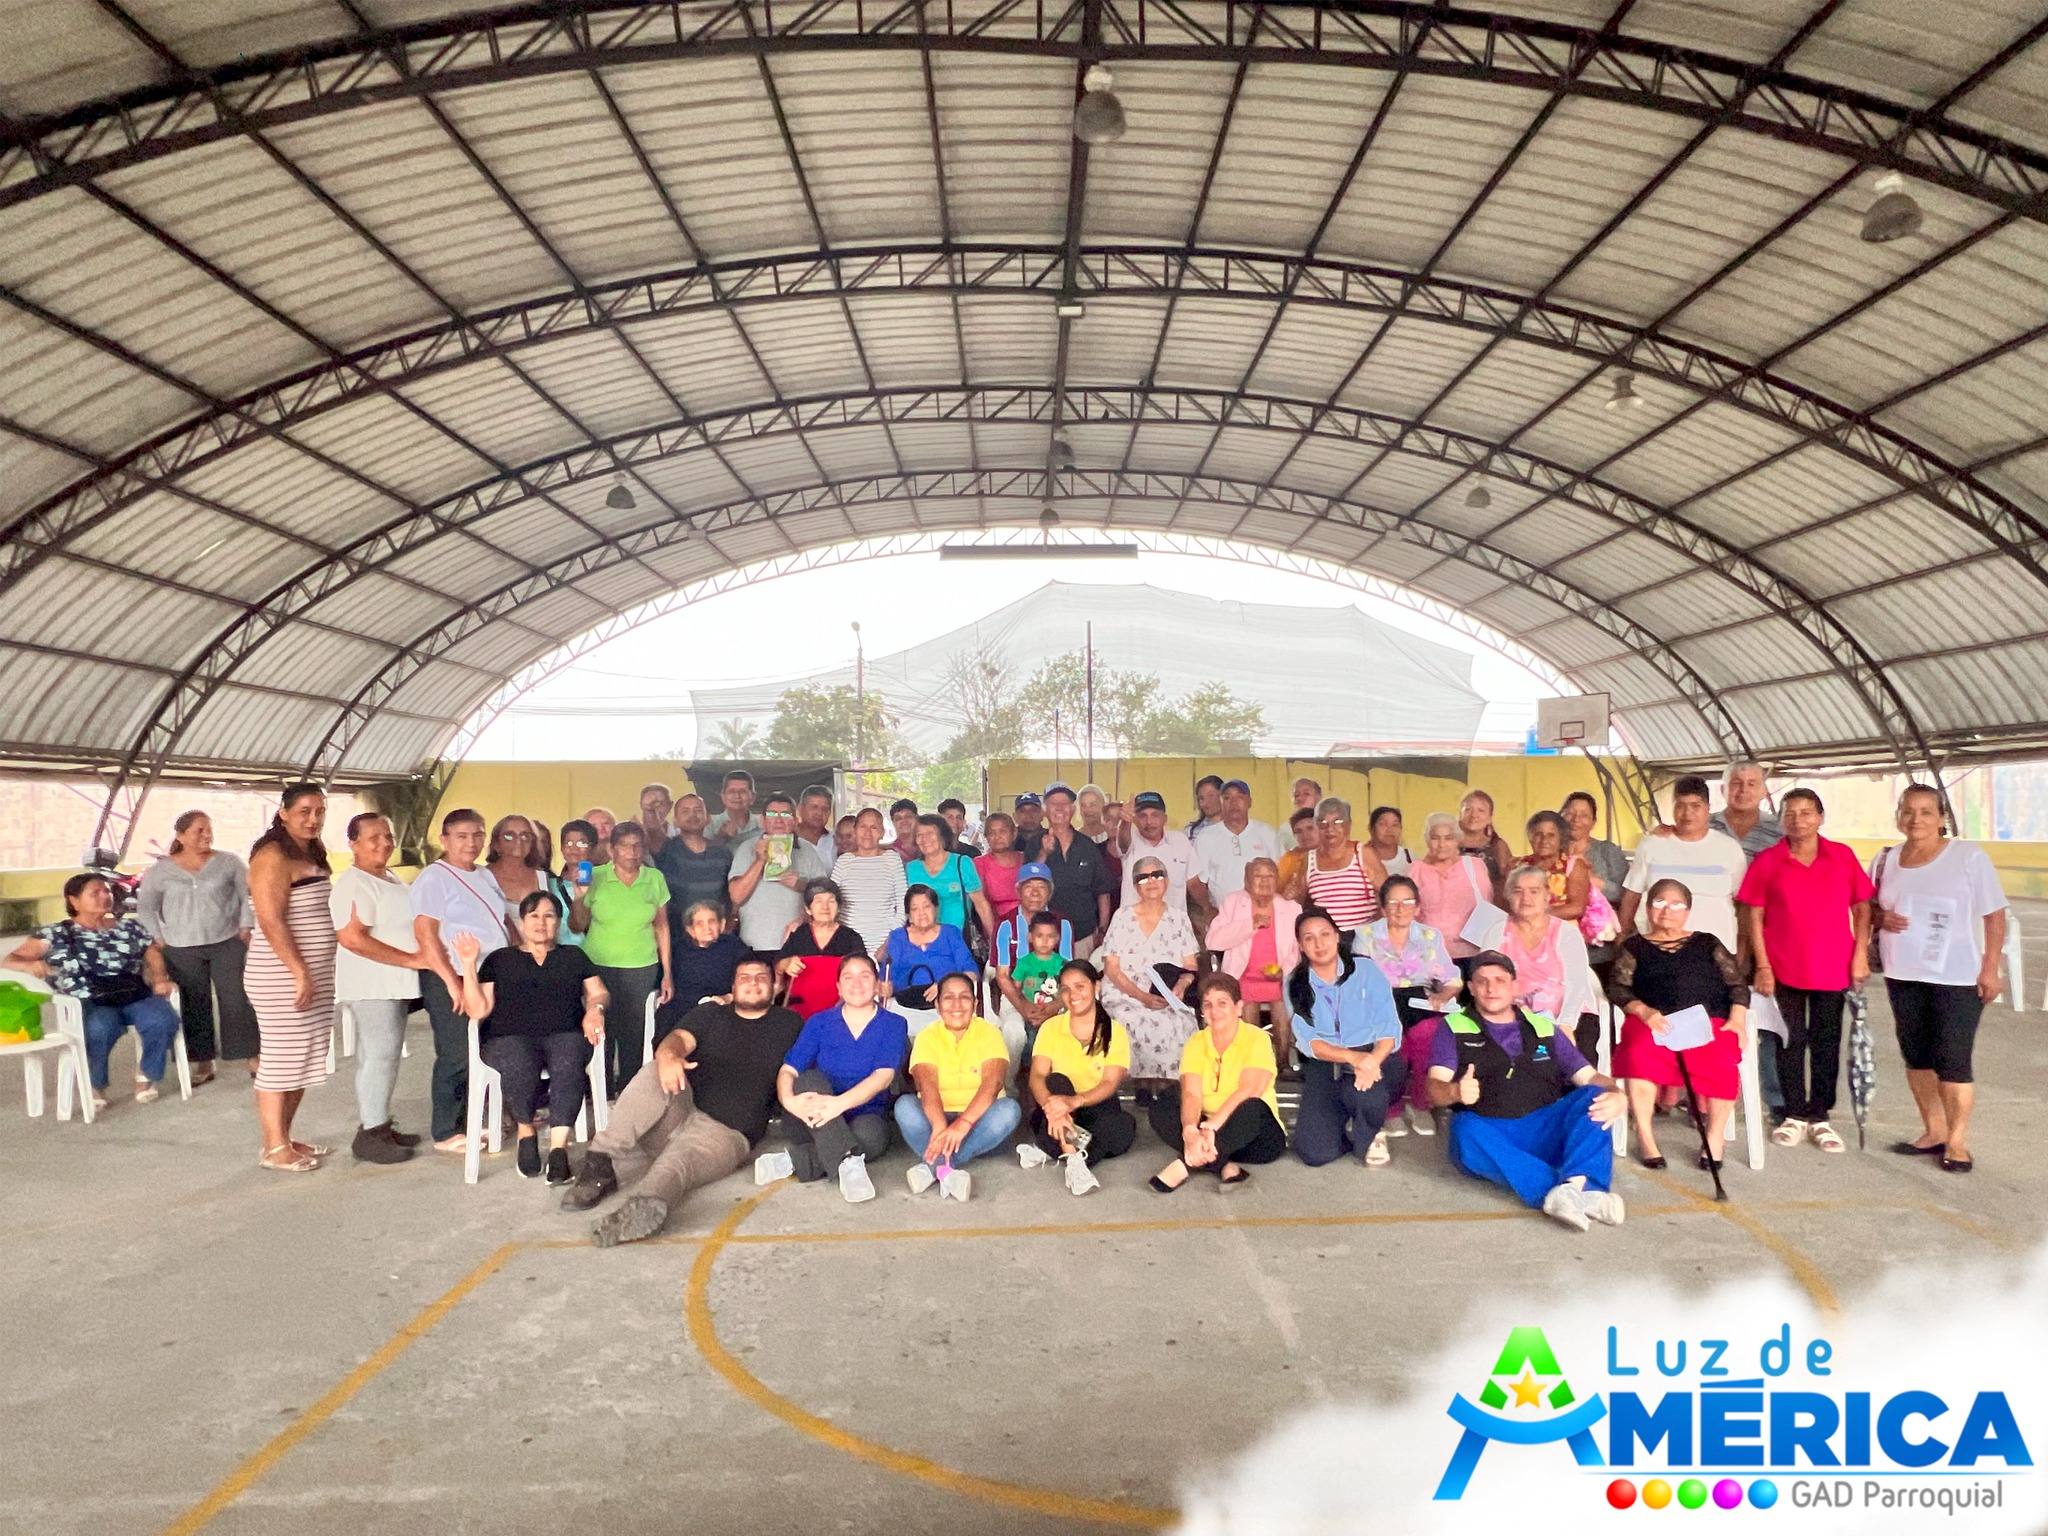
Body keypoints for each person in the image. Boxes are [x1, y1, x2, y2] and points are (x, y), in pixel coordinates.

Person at [564, 956, 806, 1245]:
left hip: (726, 1133)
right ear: (733, 987)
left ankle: (640, 1207)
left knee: (675, 1165)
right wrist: (669, 1056)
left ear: (775, 986)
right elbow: (678, 1038)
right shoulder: (711, 1013)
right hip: (678, 1112)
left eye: (761, 977)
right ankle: (599, 1163)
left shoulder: (791, 1024)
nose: (753, 983)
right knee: (655, 1070)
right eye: (745, 978)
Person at [1428, 952, 1627, 1231]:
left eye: (1500, 980)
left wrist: (1618, 1093)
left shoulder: (1544, 1028)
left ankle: (1574, 1190)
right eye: (1482, 981)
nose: (1491, 988)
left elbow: (1589, 1077)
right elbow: (1433, 1089)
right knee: (1464, 1129)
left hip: (1543, 1126)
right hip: (1491, 1130)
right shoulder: (1453, 1027)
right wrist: (1455, 1092)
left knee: (1596, 1096)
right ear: (1471, 988)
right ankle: (1575, 1193)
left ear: (1515, 986)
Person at [1869, 784, 2006, 1174]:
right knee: (1916, 1055)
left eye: (1926, 811)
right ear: (1898, 816)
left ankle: (1958, 1141)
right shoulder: (1886, 860)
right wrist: (1881, 917)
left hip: (1956, 976)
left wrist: (1990, 967)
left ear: (1942, 818)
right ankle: (1934, 1130)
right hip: (1902, 972)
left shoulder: (1968, 857)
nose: (1916, 819)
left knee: (1952, 1058)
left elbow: (1994, 915)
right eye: (1908, 811)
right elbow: (1866, 906)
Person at [1738, 788, 1873, 1156]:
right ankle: (1793, 1114)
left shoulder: (1841, 856)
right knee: (1788, 1041)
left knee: (1826, 1042)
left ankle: (1820, 1115)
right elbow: (1753, 915)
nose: (1798, 820)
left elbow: (1863, 908)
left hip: (1834, 967)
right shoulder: (1769, 861)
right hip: (1783, 968)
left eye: (1807, 812)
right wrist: (1762, 966)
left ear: (1820, 817)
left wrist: (1860, 954)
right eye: (1790, 813)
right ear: (1781, 819)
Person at [454, 892, 606, 1184]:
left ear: (558, 922)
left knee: (570, 1055)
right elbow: (477, 1010)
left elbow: (598, 992)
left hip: (563, 1034)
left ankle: (559, 1149)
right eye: (534, 916)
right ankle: (526, 1131)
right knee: (518, 1058)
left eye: (549, 916)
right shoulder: (500, 959)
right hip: (507, 1038)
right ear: (522, 922)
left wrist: (594, 1009)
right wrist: (469, 965)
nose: (541, 922)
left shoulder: (573, 956)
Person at [6, 871, 179, 1113]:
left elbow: (152, 951)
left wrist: (160, 979)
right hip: (88, 999)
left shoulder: (130, 927)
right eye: (95, 893)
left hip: (132, 993)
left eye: (107, 891)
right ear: (74, 900)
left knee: (162, 1019)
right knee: (100, 1027)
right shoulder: (54, 933)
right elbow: (10, 959)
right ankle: (95, 1083)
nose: (104, 896)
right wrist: (30, 965)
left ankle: (146, 1074)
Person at [1607, 879, 1750, 1170]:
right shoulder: (1634, 946)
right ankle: (1645, 1136)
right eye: (1659, 902)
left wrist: (1737, 1019)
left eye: (1676, 904)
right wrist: (1643, 1011)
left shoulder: (1707, 943)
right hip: (1654, 1021)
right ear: (1648, 908)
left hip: (1706, 1021)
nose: (1666, 910)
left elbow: (1736, 984)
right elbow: (1618, 988)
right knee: (1638, 1052)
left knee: (1722, 1057)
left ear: (1688, 911)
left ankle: (1714, 1138)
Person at [245, 783, 338, 1172]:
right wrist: (299, 970)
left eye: (319, 811)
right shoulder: (271, 856)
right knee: (280, 1060)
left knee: (302, 1058)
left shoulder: (310, 852)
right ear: (283, 813)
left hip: (313, 974)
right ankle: (273, 1147)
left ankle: (282, 1136)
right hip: (280, 974)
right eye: (304, 811)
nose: (313, 819)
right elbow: (271, 921)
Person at [412, 807, 511, 1153]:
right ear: (444, 840)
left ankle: (470, 1120)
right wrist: (451, 983)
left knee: (480, 1050)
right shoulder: (433, 878)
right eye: (462, 836)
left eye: (478, 835)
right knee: (457, 1052)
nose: (471, 842)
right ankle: (445, 1130)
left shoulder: (484, 875)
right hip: (452, 973)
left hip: (488, 974)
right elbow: (426, 934)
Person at [135, 809, 255, 1086]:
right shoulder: (161, 870)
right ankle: (204, 1061)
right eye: (199, 830)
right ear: (180, 836)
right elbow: (146, 907)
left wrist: (245, 927)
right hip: (181, 946)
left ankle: (252, 1056)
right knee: (194, 1003)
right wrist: (158, 937)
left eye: (208, 828)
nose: (207, 834)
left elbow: (245, 895)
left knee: (236, 999)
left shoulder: (228, 862)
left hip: (226, 941)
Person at [330, 812, 424, 1164]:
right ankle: (371, 1132)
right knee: (379, 1056)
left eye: (388, 836)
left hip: (391, 983)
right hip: (371, 983)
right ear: (353, 844)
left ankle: (379, 1123)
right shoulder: (355, 884)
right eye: (373, 838)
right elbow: (352, 938)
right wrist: (410, 959)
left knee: (382, 1055)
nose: (384, 843)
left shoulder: (388, 877)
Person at [776, 955, 908, 1202]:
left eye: (865, 976)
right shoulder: (819, 1022)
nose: (856, 983)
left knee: (872, 1137)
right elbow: (789, 1070)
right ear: (838, 987)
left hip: (864, 1115)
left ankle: (793, 1161)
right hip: (811, 1118)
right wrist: (788, 1101)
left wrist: (838, 1105)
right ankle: (849, 1163)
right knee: (808, 1080)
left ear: (877, 984)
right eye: (848, 977)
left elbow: (883, 1076)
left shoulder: (894, 1024)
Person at [1288, 907, 1408, 1167]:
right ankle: (1342, 1119)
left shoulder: (1365, 969)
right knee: (1314, 1153)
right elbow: (1307, 1040)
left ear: (1337, 936)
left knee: (1367, 1096)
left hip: (1375, 1054)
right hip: (1327, 1060)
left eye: (1325, 934)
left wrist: (1370, 1061)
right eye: (1309, 938)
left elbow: (1389, 1027)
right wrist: (1352, 1058)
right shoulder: (1295, 984)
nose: (1319, 944)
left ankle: (1371, 1131)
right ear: (1300, 946)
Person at [1148, 974, 1285, 1189]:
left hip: (1254, 1138)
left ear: (1238, 1008)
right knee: (1163, 1103)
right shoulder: (1196, 1042)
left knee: (1253, 1107)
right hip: (1208, 1133)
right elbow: (1191, 1093)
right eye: (1208, 1005)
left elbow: (1249, 1090)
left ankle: (1184, 1165)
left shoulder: (1257, 1039)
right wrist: (1190, 1130)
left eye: (1222, 1003)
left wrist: (1212, 1127)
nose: (1215, 1011)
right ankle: (1223, 1165)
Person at [895, 972, 1022, 1200]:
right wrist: (939, 1126)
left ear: (975, 1003)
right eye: (948, 998)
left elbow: (993, 1084)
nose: (956, 1004)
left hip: (979, 1123)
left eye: (964, 997)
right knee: (905, 1106)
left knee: (1009, 1110)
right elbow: (927, 1086)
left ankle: (933, 1166)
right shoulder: (927, 1037)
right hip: (936, 1119)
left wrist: (962, 1125)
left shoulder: (990, 1033)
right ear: (937, 1005)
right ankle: (947, 1170)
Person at [1360, 872, 1463, 1137]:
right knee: (1393, 1045)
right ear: (1383, 907)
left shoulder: (1430, 936)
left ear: (1417, 907)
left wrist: (1443, 996)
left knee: (1427, 1037)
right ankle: (1391, 1108)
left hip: (1420, 999)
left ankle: (1421, 1104)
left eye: (1407, 902)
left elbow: (1452, 979)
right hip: (1381, 999)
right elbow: (1359, 980)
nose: (1400, 909)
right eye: (1393, 902)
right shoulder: (1366, 935)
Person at [574, 820, 672, 1092]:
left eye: (637, 846)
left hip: (641, 966)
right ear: (611, 849)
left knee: (634, 1033)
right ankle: (600, 1091)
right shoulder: (595, 876)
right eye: (625, 846)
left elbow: (662, 926)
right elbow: (578, 924)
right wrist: (579, 896)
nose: (632, 852)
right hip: (598, 965)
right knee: (600, 1028)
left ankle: (629, 1091)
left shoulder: (654, 878)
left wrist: (667, 973)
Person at [1026, 960, 1138, 1191]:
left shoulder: (1114, 1031)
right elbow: (1037, 1076)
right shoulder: (1051, 1027)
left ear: (1096, 986)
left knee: (1123, 1127)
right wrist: (1053, 1109)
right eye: (1066, 989)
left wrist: (1075, 1101)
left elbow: (1109, 1083)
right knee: (1056, 1081)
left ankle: (1051, 1147)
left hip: (1095, 1105)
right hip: (1053, 1107)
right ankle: (1074, 1160)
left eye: (1080, 986)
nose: (1073, 995)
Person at [1097, 855, 1200, 1088]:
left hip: (1168, 995)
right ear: (1135, 886)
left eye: (1157, 875)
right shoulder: (1122, 917)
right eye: (1143, 878)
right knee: (1131, 1019)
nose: (1151, 881)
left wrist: (1181, 985)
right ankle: (1141, 1085)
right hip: (1126, 994)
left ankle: (1167, 1089)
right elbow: (1111, 968)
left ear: (1166, 880)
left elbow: (1190, 965)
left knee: (1181, 1023)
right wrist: (1142, 997)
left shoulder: (1179, 918)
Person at [1618, 776, 1748, 950]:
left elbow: (1743, 903)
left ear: (1708, 809)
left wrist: (1743, 948)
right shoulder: (1652, 845)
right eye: (1680, 806)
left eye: (1696, 806)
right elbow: (1632, 895)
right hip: (1659, 950)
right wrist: (1622, 939)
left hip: (1717, 951)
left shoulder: (1729, 849)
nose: (1687, 813)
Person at [1203, 857, 1301, 1066]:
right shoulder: (1233, 902)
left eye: (1270, 876)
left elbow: (1296, 948)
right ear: (1247, 881)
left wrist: (1284, 971)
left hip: (1279, 976)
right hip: (1243, 975)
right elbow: (1213, 940)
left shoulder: (1290, 907)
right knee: (1248, 1008)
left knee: (1282, 1006)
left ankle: (1283, 1063)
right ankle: (1254, 1063)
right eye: (1258, 876)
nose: (1264, 881)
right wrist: (1250, 924)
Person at [1498, 865, 1599, 1063]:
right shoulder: (1497, 932)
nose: (1526, 898)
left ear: (1547, 896)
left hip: (1569, 1014)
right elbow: (1487, 977)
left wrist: (1566, 1025)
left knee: (1576, 1063)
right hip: (1516, 1014)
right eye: (1518, 891)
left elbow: (1577, 985)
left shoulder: (1566, 933)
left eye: (1534, 891)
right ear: (1509, 897)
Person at [728, 793, 834, 954]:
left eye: (785, 814)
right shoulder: (747, 848)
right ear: (762, 820)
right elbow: (736, 896)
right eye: (772, 814)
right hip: (754, 943)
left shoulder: (806, 849)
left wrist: (802, 886)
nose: (778, 819)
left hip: (797, 942)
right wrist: (760, 860)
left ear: (795, 820)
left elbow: (825, 896)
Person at [989, 862, 1072, 1068]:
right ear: (1018, 890)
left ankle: (1058, 1080)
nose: (1035, 893)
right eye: (1029, 886)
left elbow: (1069, 974)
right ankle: (1009, 1082)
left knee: (1066, 1031)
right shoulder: (1005, 924)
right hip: (1016, 993)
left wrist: (1054, 1006)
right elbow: (1002, 975)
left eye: (1041, 887)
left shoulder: (1062, 924)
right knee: (1013, 1032)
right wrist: (1023, 1007)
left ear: (1050, 892)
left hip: (1056, 994)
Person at [1190, 779, 1282, 927]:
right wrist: (1208, 909)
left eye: (1239, 797)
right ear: (1221, 803)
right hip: (1223, 918)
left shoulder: (1267, 833)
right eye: (1227, 798)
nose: (1233, 802)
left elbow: (1280, 874)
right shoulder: (1207, 837)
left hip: (1263, 916)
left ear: (1249, 802)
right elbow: (1196, 880)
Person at [1411, 811, 1498, 962]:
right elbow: (1410, 912)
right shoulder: (1417, 870)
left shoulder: (1474, 866)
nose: (1442, 844)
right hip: (1430, 953)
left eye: (1448, 838)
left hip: (1472, 952)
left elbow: (1487, 901)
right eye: (1435, 838)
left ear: (1457, 840)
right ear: (1427, 841)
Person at [1037, 783, 1114, 955]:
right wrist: (1043, 852)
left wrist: (1102, 930)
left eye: (1064, 804)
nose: (1059, 808)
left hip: (1084, 936)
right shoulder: (1035, 844)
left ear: (1072, 810)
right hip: (1046, 939)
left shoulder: (1087, 845)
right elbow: (1029, 885)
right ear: (1045, 810)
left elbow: (1102, 890)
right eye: (1053, 803)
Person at [1562, 790, 1630, 984]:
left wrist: (1590, 880)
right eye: (1570, 813)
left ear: (1593, 822)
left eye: (1584, 815)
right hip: (1560, 946)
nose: (1576, 819)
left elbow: (1625, 895)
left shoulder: (1607, 851)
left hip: (1601, 951)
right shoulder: (1551, 853)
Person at [775, 879, 869, 1018]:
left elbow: (863, 972)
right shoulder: (800, 935)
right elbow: (778, 965)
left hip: (841, 1012)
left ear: (838, 907)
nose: (825, 907)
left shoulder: (851, 937)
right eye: (818, 901)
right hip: (799, 1012)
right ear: (808, 909)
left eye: (831, 901)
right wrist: (786, 963)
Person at [879, 886, 977, 1018]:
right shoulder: (897, 937)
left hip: (946, 1007)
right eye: (915, 909)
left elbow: (971, 972)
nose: (922, 913)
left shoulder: (950, 933)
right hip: (904, 1007)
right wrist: (886, 988)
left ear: (936, 909)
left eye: (927, 906)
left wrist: (945, 986)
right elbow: (886, 976)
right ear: (908, 916)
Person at [831, 807, 909, 961]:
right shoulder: (844, 861)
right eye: (862, 826)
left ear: (882, 832)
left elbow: (902, 906)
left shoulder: (892, 859)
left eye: (874, 828)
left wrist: (886, 945)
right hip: (848, 946)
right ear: (855, 830)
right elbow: (832, 902)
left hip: (886, 946)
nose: (867, 833)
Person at [903, 813, 995, 938]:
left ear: (942, 836)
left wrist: (994, 942)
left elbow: (981, 904)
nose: (925, 839)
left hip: (958, 939)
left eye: (930, 833)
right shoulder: (911, 868)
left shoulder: (961, 863)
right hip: (922, 941)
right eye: (919, 835)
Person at [1304, 797, 1389, 930]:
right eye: (1323, 823)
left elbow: (1389, 894)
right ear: (1315, 827)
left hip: (1364, 937)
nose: (1330, 829)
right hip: (1327, 939)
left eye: (1337, 822)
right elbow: (1300, 902)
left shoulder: (1363, 853)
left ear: (1348, 825)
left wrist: (1374, 928)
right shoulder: (1308, 860)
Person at [660, 902, 746, 1032]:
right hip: (684, 1009)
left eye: (712, 921)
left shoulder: (734, 946)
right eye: (699, 923)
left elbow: (749, 975)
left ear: (721, 924)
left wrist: (728, 997)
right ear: (690, 930)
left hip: (724, 1006)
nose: (707, 928)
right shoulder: (677, 950)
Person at [653, 793, 733, 931]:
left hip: (714, 933)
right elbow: (652, 829)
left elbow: (730, 895)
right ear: (675, 821)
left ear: (708, 818)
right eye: (685, 811)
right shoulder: (666, 849)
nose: (693, 815)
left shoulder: (722, 853)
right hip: (676, 934)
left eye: (698, 810)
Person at [1115, 790, 1195, 913]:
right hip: (1133, 922)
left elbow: (1193, 881)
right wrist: (1125, 823)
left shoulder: (1180, 841)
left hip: (1173, 921)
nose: (1149, 822)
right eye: (1142, 816)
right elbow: (1123, 843)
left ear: (1165, 819)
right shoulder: (1130, 839)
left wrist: (1206, 909)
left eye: (1155, 815)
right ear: (1134, 819)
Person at [1518, 811, 1591, 925]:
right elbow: (1504, 905)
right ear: (1531, 839)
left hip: (1562, 930)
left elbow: (1577, 908)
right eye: (1538, 834)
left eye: (1551, 835)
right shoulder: (1518, 866)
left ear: (1561, 839)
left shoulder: (1574, 865)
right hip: (1523, 929)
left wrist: (1535, 914)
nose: (1544, 840)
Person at [486, 814, 547, 927]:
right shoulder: (482, 876)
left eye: (525, 836)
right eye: (509, 836)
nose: (518, 842)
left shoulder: (542, 878)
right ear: (496, 844)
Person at [556, 819, 601, 947]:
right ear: (562, 849)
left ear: (593, 848)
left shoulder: (602, 881)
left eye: (582, 843)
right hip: (561, 953)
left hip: (595, 954)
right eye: (569, 843)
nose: (574, 848)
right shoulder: (549, 883)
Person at [1458, 790, 1515, 889]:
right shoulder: (1447, 844)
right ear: (1460, 815)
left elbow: (1509, 882)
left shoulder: (1498, 845)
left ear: (1489, 818)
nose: (1474, 815)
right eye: (1468, 809)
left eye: (1480, 810)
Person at [975, 811, 1024, 924]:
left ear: (1014, 833)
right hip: (997, 924)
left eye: (1002, 831)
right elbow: (981, 904)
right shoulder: (979, 863)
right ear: (986, 837)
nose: (997, 837)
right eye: (991, 833)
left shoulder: (1026, 859)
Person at [1276, 806, 1318, 899]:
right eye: (1298, 831)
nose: (1305, 835)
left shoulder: (1335, 854)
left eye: (1310, 828)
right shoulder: (1289, 860)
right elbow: (1276, 892)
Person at [711, 771, 759, 846]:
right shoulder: (710, 824)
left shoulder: (763, 823)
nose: (737, 796)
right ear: (723, 796)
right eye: (731, 791)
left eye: (742, 792)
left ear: (753, 797)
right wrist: (720, 836)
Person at [1366, 806, 1412, 874]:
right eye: (1383, 824)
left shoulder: (1410, 858)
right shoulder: (1360, 858)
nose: (1389, 830)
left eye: (1395, 825)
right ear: (1371, 829)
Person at [636, 783, 673, 863]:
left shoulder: (680, 833)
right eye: (647, 806)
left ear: (670, 806)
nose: (653, 810)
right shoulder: (633, 833)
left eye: (658, 804)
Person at [797, 785, 836, 853]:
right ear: (801, 809)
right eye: (814, 807)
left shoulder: (837, 840)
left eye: (824, 809)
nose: (819, 813)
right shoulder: (788, 838)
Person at [1186, 774, 1225, 839]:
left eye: (1211, 796)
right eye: (1201, 798)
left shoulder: (1237, 828)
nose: (1206, 802)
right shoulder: (1191, 832)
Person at [1012, 791, 1047, 857]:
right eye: (1022, 811)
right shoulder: (1008, 841)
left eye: (1034, 810)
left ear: (1042, 814)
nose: (1028, 815)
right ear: (1015, 816)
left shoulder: (1051, 838)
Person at [888, 798, 921, 862]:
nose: (904, 821)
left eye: (908, 816)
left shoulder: (927, 846)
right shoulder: (889, 852)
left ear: (917, 818)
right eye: (898, 818)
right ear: (893, 822)